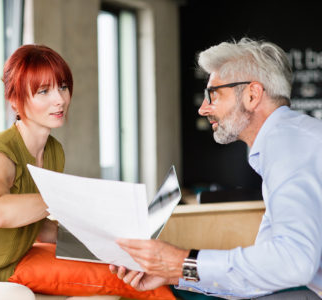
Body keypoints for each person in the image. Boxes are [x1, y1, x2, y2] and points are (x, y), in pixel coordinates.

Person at [110, 38, 322, 299]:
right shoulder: (288, 140)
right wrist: (177, 272)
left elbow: (293, 262)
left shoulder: (288, 146)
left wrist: (182, 261)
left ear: (252, 95)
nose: (202, 109)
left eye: (213, 95)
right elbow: (267, 273)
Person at [0, 44, 117, 300]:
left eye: (63, 86)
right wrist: (66, 197)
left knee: (105, 295)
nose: (59, 99)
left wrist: (106, 245)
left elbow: (37, 226)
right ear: (15, 100)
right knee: (18, 296)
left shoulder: (54, 152)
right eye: (44, 91)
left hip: (1, 278)